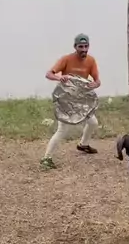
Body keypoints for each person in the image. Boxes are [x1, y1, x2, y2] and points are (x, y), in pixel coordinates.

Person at [41, 33, 101, 169]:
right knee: (62, 130)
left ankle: (83, 145)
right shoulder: (66, 59)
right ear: (75, 47)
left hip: (81, 99)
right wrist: (60, 78)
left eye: (86, 46)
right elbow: (49, 74)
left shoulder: (91, 61)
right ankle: (46, 158)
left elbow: (98, 81)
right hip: (66, 100)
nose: (84, 49)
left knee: (93, 123)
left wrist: (95, 84)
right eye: (81, 47)